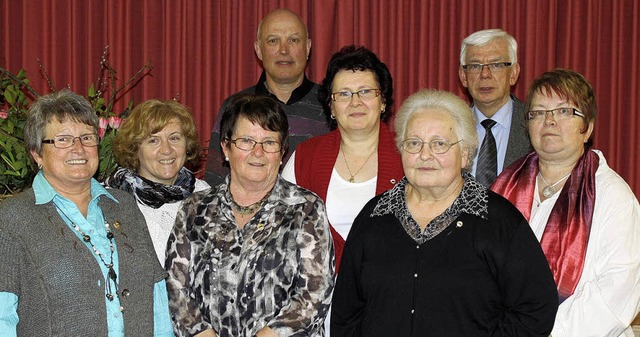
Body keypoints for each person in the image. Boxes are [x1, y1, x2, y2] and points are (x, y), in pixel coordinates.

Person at [331, 89, 558, 336]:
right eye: (414, 143)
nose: (425, 155)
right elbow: (346, 315)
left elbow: (536, 307)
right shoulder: (373, 217)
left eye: (439, 144)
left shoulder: (498, 220)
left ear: (465, 154)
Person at [0, 90, 173, 336]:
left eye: (87, 138)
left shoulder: (124, 206)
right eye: (63, 139)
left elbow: (156, 295)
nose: (78, 149)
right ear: (37, 153)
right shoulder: (11, 219)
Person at [166, 93, 334, 337]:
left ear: (282, 151)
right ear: (226, 147)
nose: (258, 152)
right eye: (246, 141)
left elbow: (314, 295)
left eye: (269, 142)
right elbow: (176, 287)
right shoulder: (194, 209)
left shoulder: (306, 208)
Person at [491, 69, 640, 336]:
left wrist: (540, 331)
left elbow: (617, 292)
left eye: (563, 111)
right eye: (538, 112)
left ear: (587, 128)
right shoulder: (505, 186)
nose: (549, 121)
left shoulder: (613, 196)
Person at [282, 45, 404, 272]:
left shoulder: (409, 155)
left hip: (390, 292)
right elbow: (282, 233)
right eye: (344, 94)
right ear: (331, 107)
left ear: (383, 101)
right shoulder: (305, 157)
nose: (355, 102)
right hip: (317, 296)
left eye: (366, 91)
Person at [204, 8, 329, 186]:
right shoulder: (235, 106)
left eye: (293, 40)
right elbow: (215, 180)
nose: (284, 50)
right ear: (258, 50)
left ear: (307, 47)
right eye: (273, 41)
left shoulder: (333, 105)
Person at [104, 99, 210, 264]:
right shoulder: (111, 200)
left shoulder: (205, 195)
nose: (166, 150)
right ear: (135, 148)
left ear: (187, 144)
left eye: (174, 138)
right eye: (153, 140)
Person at [459, 28, 531, 186]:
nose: (485, 74)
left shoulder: (535, 124)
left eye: (496, 65)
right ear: (463, 76)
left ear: (513, 73)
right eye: (475, 66)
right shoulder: (451, 128)